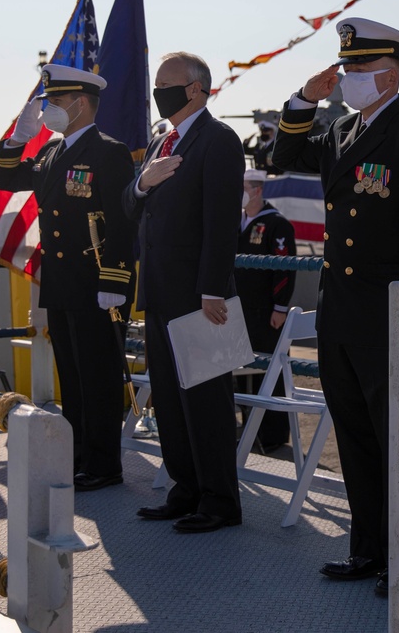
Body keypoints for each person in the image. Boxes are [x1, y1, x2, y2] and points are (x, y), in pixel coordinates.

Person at [272, 17, 399, 596]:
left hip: (394, 314)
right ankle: (367, 549)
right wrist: (306, 98)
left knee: (397, 437)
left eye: (357, 69)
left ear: (390, 72)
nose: (347, 76)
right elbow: (285, 151)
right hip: (342, 310)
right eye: (345, 67)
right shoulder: (340, 134)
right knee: (352, 434)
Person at [0, 64, 136, 491]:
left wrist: (114, 281)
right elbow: (4, 178)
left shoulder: (109, 151)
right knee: (71, 377)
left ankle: (105, 465)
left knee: (99, 376)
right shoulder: (52, 152)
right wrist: (17, 140)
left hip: (97, 283)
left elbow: (123, 222)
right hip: (61, 281)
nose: (48, 109)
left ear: (81, 103)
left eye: (55, 101)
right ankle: (79, 457)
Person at [122, 51, 245, 533]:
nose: (159, 93)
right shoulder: (160, 143)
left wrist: (212, 289)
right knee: (170, 400)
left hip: (200, 297)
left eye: (166, 84)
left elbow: (220, 224)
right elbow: (133, 210)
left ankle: (219, 500)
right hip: (159, 292)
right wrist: (140, 185)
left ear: (196, 89)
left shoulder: (219, 140)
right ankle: (185, 488)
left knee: (207, 402)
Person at [233, 168, 296, 451]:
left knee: (269, 369)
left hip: (267, 311)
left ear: (257, 190)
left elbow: (284, 269)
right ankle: (247, 427)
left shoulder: (276, 224)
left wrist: (281, 306)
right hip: (239, 311)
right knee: (242, 370)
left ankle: (272, 435)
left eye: (244, 186)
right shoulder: (238, 221)